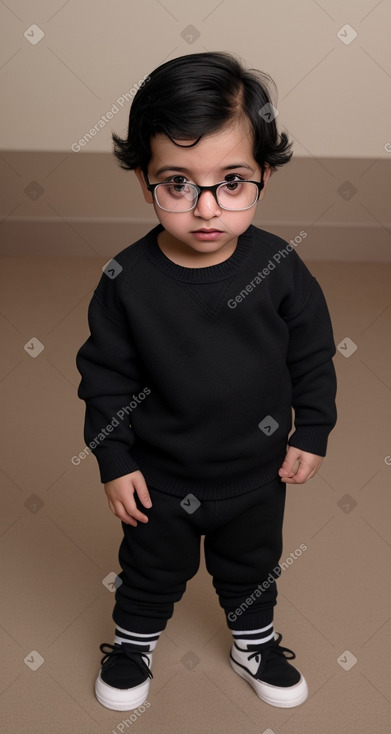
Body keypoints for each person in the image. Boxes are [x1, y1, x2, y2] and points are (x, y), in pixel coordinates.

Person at [76, 51, 337, 712]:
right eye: (177, 183)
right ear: (144, 181)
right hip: (159, 475)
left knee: (251, 569)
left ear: (263, 178)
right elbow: (104, 376)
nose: (205, 208)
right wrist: (112, 457)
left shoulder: (276, 266)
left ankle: (253, 643)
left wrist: (315, 426)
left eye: (230, 181)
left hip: (256, 470)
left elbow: (310, 351)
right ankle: (133, 644)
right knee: (150, 569)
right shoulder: (126, 281)